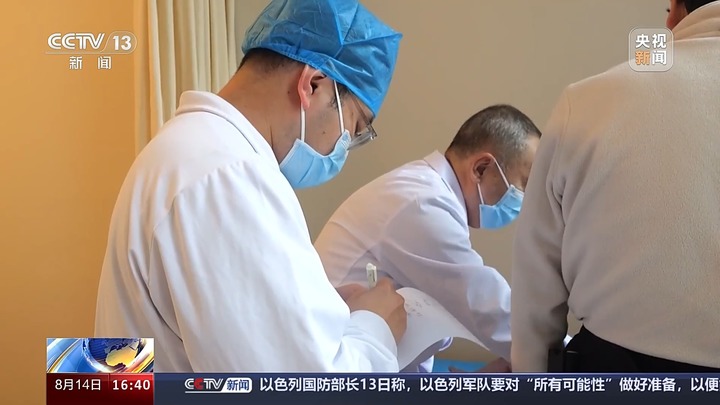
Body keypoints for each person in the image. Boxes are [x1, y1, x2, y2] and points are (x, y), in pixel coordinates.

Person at [94, 0, 408, 372]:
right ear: (312, 85)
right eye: (353, 128)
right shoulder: (227, 176)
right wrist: (375, 328)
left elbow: (106, 370)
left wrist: (308, 314)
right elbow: (302, 385)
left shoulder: (184, 149)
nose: (343, 149)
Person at [510, 0, 720, 372]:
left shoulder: (590, 98)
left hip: (617, 376)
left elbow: (535, 291)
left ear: (675, 11)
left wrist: (533, 380)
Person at [315, 105, 542, 372]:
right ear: (481, 168)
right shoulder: (422, 204)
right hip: (336, 370)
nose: (525, 201)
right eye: (525, 185)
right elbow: (490, 310)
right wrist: (572, 355)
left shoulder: (427, 193)